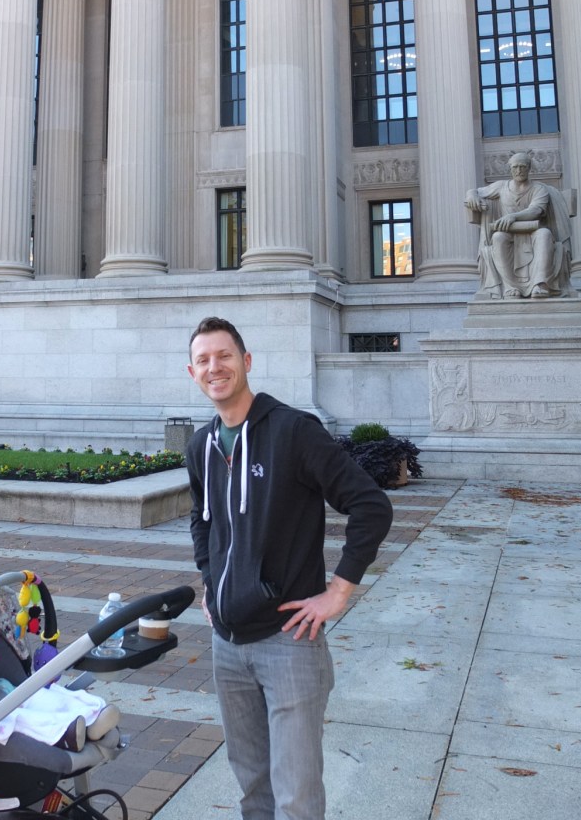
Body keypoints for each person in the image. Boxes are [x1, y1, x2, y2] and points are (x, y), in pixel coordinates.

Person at [185, 317, 393, 820]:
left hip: (288, 642)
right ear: (192, 372)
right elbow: (201, 519)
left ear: (246, 361)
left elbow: (371, 506)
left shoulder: (293, 432)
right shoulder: (201, 446)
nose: (215, 367)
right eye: (203, 360)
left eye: (224, 356)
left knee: (296, 798)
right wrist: (211, 582)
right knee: (253, 790)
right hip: (227, 646)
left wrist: (338, 591)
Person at [465, 151, 573, 299]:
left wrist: (512, 217)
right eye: (515, 167)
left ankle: (539, 284)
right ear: (510, 169)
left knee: (545, 234)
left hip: (533, 231)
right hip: (509, 232)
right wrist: (472, 196)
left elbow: (536, 210)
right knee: (497, 237)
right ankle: (510, 287)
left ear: (529, 168)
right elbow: (475, 191)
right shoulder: (501, 186)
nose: (519, 170)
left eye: (523, 166)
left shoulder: (539, 189)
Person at [0, 653, 119, 751]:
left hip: (28, 704)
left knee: (45, 696)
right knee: (25, 718)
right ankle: (68, 733)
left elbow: (25, 694)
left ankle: (92, 719)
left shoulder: (0, 683)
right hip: (15, 718)